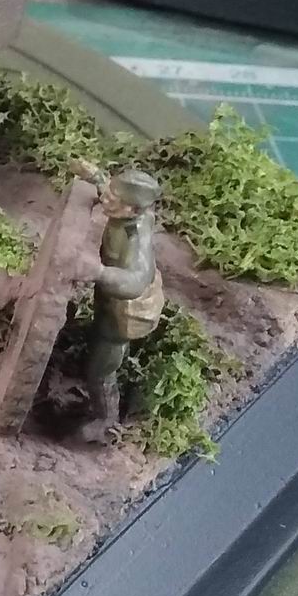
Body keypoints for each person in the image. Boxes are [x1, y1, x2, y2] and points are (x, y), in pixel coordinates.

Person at [80, 167, 165, 443]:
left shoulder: (136, 239)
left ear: (133, 210)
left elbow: (135, 282)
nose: (105, 198)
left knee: (101, 370)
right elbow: (112, 193)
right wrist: (97, 177)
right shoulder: (125, 209)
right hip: (109, 299)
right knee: (98, 334)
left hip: (124, 313)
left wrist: (98, 272)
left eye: (113, 198)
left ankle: (106, 420)